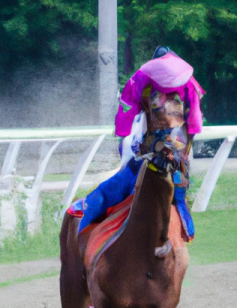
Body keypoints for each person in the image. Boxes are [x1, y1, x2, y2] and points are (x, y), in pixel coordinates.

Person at [78, 47, 204, 238]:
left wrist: (122, 135)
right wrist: (185, 150)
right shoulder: (189, 83)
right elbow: (194, 123)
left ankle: (83, 233)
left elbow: (126, 110)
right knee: (180, 188)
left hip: (150, 153)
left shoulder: (142, 79)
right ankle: (187, 227)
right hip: (177, 155)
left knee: (108, 191)